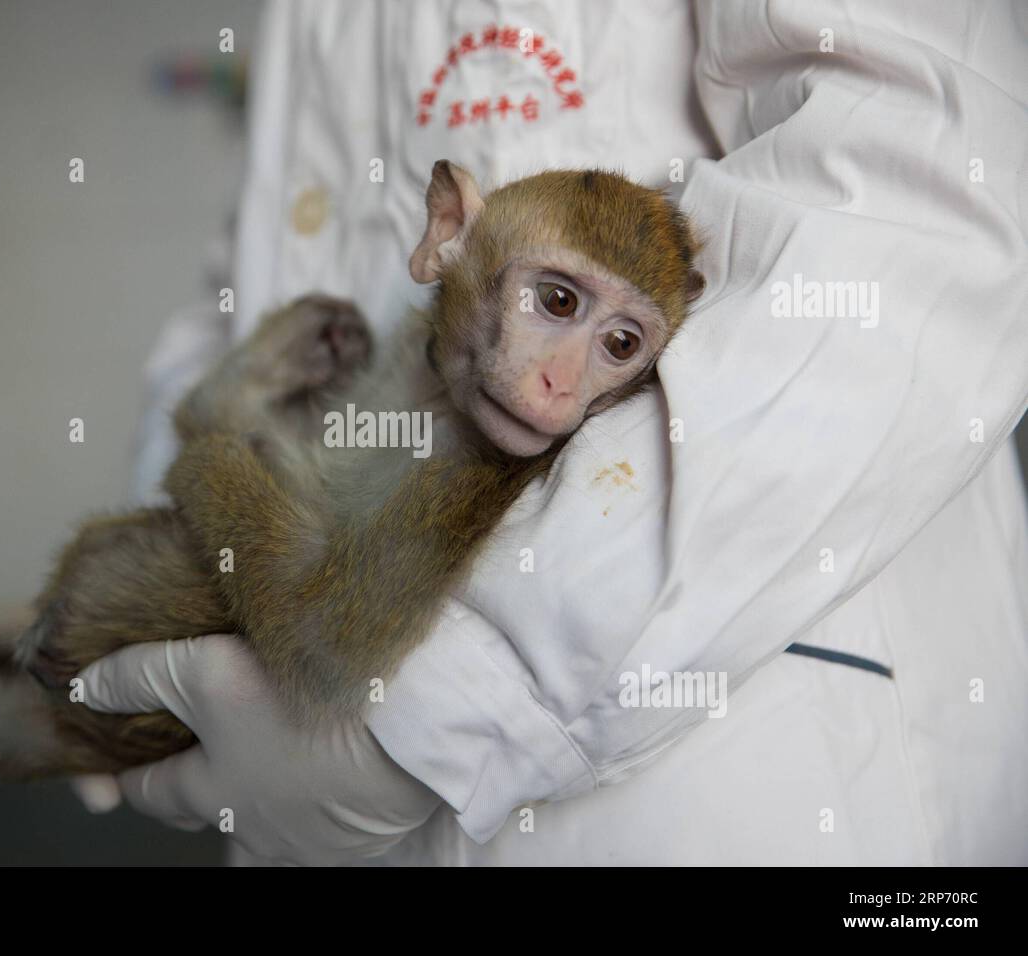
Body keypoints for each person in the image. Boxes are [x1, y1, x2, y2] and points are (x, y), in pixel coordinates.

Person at [79, 0, 1028, 865]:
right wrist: (159, 614)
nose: (555, 387)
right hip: (296, 722)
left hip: (717, 772)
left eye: (615, 338)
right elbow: (250, 277)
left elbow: (925, 200)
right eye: (558, 301)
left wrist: (452, 702)